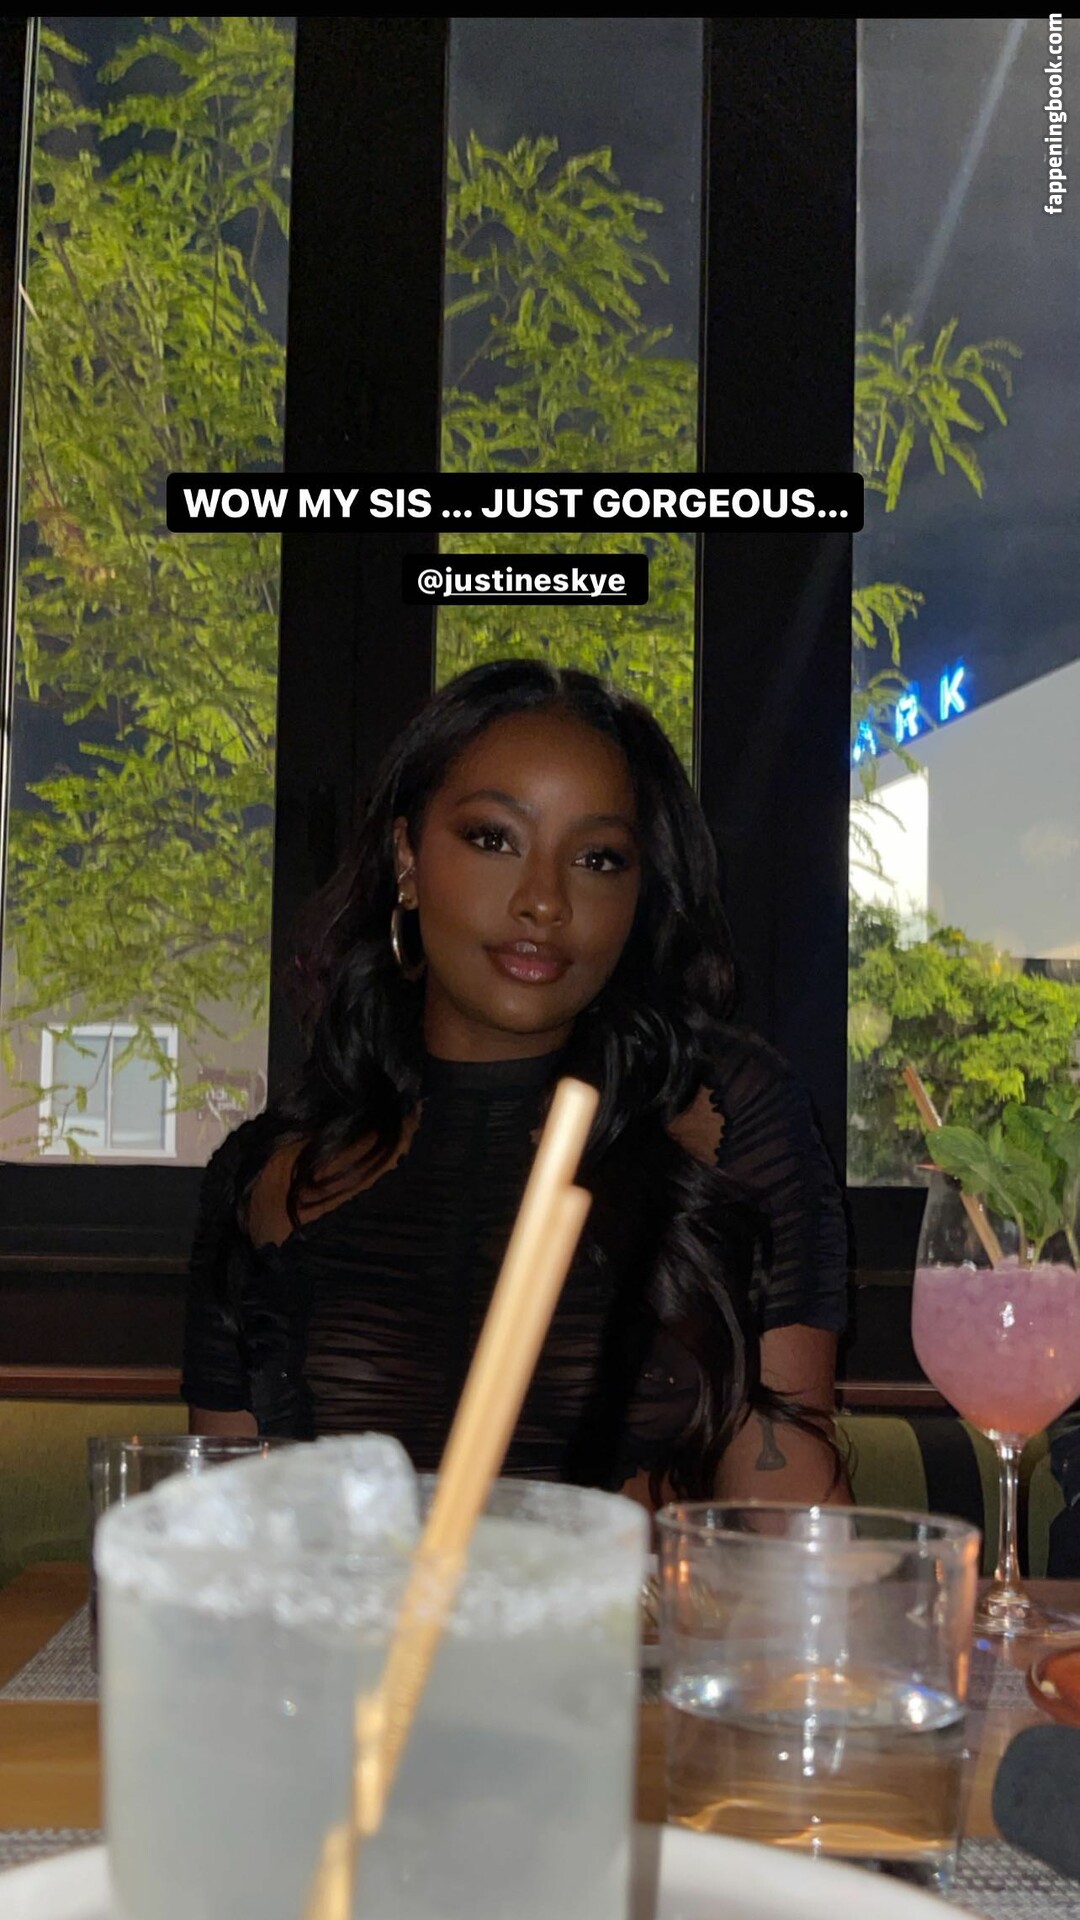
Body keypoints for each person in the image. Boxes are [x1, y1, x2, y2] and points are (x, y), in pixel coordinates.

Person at [182, 659, 850, 1506]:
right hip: (351, 1601)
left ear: (639, 894)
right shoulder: (268, 1178)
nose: (544, 901)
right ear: (407, 858)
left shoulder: (724, 1117)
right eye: (494, 838)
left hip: (645, 1602)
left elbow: (791, 1524)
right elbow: (222, 1535)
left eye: (598, 858)